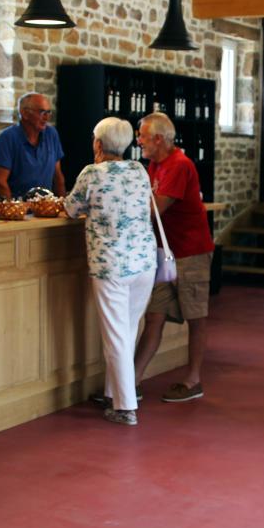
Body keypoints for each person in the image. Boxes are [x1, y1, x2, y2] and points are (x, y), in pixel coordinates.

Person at [64, 117, 156, 427]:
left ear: (99, 144)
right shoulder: (139, 170)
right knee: (126, 331)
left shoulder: (92, 173)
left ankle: (126, 408)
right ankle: (115, 393)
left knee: (117, 335)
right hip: (144, 263)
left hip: (111, 265)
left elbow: (71, 208)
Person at [134, 112, 214, 402]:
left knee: (196, 316)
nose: (138, 140)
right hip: (165, 253)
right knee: (154, 315)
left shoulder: (179, 165)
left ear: (158, 138)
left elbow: (155, 208)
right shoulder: (154, 164)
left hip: (190, 251)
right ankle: (132, 381)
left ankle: (193, 380)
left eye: (142, 135)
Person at [0, 92, 65, 199]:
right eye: (42, 112)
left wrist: (62, 206)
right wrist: (15, 209)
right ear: (24, 113)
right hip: (17, 208)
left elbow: (58, 176)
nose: (46, 117)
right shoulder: (7, 137)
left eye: (48, 112)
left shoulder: (51, 134)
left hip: (44, 208)